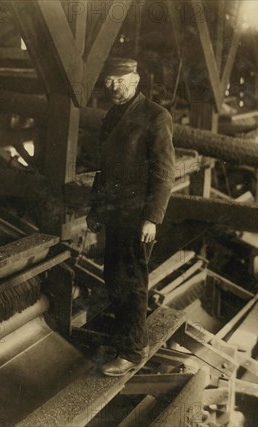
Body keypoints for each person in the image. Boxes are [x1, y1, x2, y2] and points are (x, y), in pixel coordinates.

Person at [86, 57, 175, 376]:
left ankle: (132, 351)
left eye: (121, 80)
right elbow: (103, 169)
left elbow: (165, 172)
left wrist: (153, 218)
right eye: (109, 81)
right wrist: (96, 209)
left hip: (138, 217)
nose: (114, 86)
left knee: (132, 281)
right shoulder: (112, 116)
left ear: (136, 80)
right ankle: (124, 339)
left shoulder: (156, 116)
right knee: (114, 278)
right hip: (115, 214)